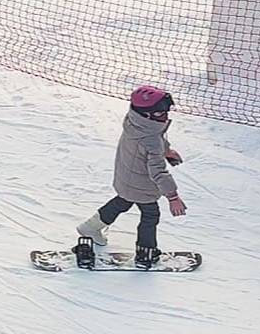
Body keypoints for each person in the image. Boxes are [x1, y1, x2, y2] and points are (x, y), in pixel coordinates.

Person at [76, 84, 187, 268]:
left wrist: (166, 151)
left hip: (126, 176)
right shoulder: (150, 139)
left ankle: (90, 227)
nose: (166, 116)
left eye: (167, 111)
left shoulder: (134, 122)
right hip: (141, 184)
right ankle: (146, 252)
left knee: (122, 202)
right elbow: (158, 172)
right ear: (146, 115)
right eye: (160, 113)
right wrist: (173, 197)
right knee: (150, 215)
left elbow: (157, 137)